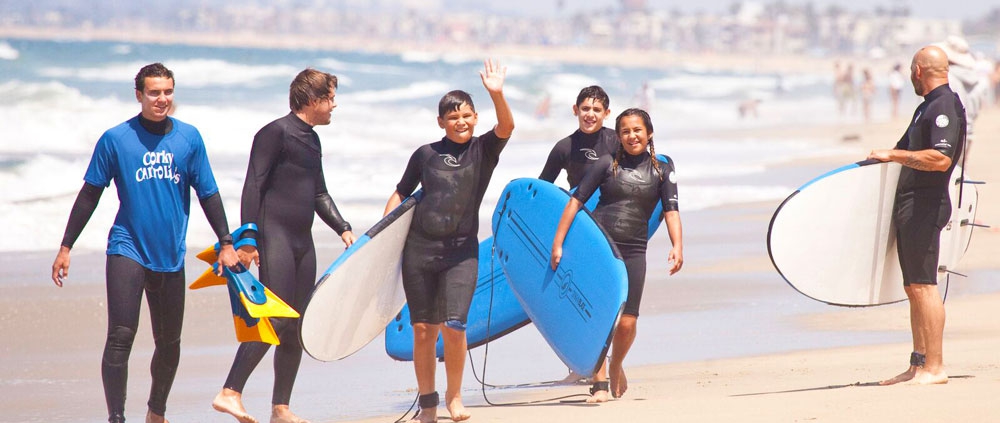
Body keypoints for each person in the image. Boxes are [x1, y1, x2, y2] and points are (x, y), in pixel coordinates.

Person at [50, 62, 239, 423]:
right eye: (154, 92)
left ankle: (156, 412)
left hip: (170, 254)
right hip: (127, 247)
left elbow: (209, 194)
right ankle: (117, 418)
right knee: (121, 335)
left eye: (167, 91)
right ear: (139, 95)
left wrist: (226, 242)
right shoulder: (116, 139)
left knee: (169, 345)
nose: (162, 98)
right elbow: (90, 194)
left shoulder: (189, 138)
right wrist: (65, 246)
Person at [212, 68, 357, 423]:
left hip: (302, 241)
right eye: (331, 98)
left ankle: (281, 408)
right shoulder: (273, 133)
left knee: (296, 324)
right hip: (274, 235)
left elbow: (319, 193)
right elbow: (253, 185)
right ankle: (229, 392)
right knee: (275, 317)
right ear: (313, 100)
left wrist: (344, 229)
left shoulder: (312, 139)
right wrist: (248, 239)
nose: (334, 105)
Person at [383, 59, 513, 423]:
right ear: (441, 121)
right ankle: (428, 404)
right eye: (453, 117)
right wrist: (382, 239)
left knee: (454, 327)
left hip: (461, 253)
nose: (461, 122)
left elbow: (507, 126)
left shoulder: (483, 151)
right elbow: (400, 194)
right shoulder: (425, 155)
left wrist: (496, 93)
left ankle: (455, 398)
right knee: (423, 330)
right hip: (419, 251)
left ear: (475, 119)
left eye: (468, 116)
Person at [550, 108, 683, 402]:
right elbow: (575, 202)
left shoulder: (662, 171)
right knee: (598, 316)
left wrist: (677, 245)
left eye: (637, 130)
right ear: (618, 136)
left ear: (649, 134)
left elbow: (671, 210)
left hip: (635, 248)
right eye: (625, 131)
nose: (632, 136)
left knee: (627, 321)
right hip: (600, 246)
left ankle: (617, 363)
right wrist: (558, 242)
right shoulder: (606, 164)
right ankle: (598, 384)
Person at [867, 45, 966, 386]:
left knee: (924, 286)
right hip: (913, 205)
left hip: (926, 205)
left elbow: (940, 159)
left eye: (912, 70)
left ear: (918, 71)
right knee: (914, 287)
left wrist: (894, 154)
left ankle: (935, 367)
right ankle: (918, 363)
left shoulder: (943, 107)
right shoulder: (927, 107)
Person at [538, 85, 618, 188]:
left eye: (597, 110)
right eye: (585, 108)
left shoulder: (617, 141)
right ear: (576, 110)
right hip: (578, 203)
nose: (590, 114)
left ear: (606, 113)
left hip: (611, 204)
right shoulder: (564, 147)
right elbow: (542, 186)